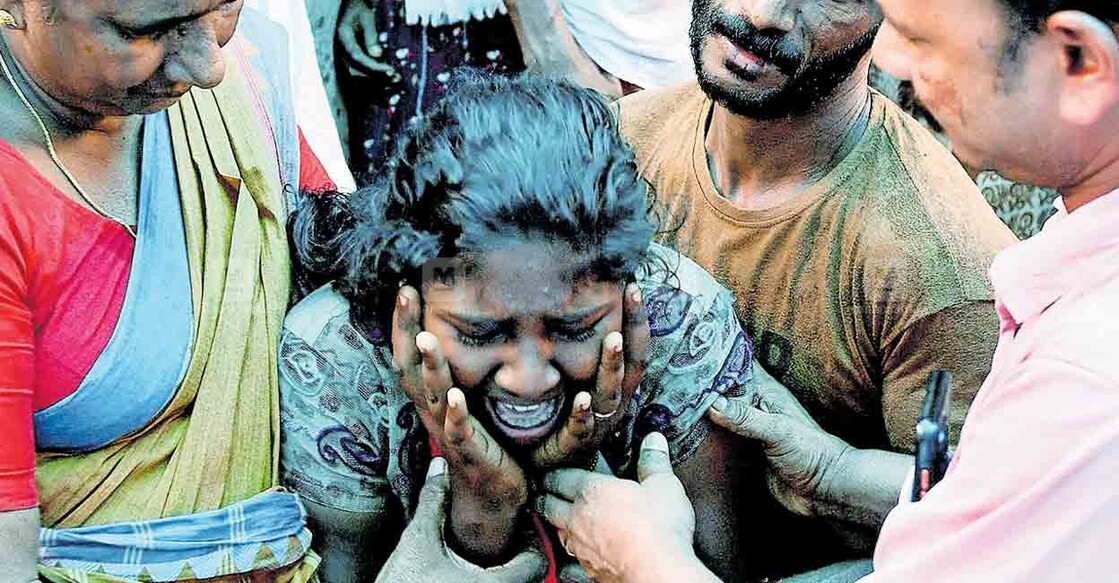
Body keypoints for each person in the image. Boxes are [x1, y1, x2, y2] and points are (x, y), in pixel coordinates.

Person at [541, 0, 1119, 581]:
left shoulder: (960, 281)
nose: (763, 11)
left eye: (923, 40)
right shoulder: (610, 145)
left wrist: (643, 562)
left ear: (1080, 61)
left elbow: (979, 541)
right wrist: (831, 472)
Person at [278, 73, 758, 583]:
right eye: (480, 333)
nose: (528, 381)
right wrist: (482, 510)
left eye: (574, 328)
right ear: (412, 297)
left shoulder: (681, 327)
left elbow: (723, 570)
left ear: (626, 287)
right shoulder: (335, 360)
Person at [615, 0, 1018, 574]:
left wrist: (833, 476)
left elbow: (991, 527)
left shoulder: (943, 271)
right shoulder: (621, 143)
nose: (763, 12)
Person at [0, 1, 335, 580]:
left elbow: (350, 295)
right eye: (149, 30)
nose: (210, 68)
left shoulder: (241, 93)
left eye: (225, 6)